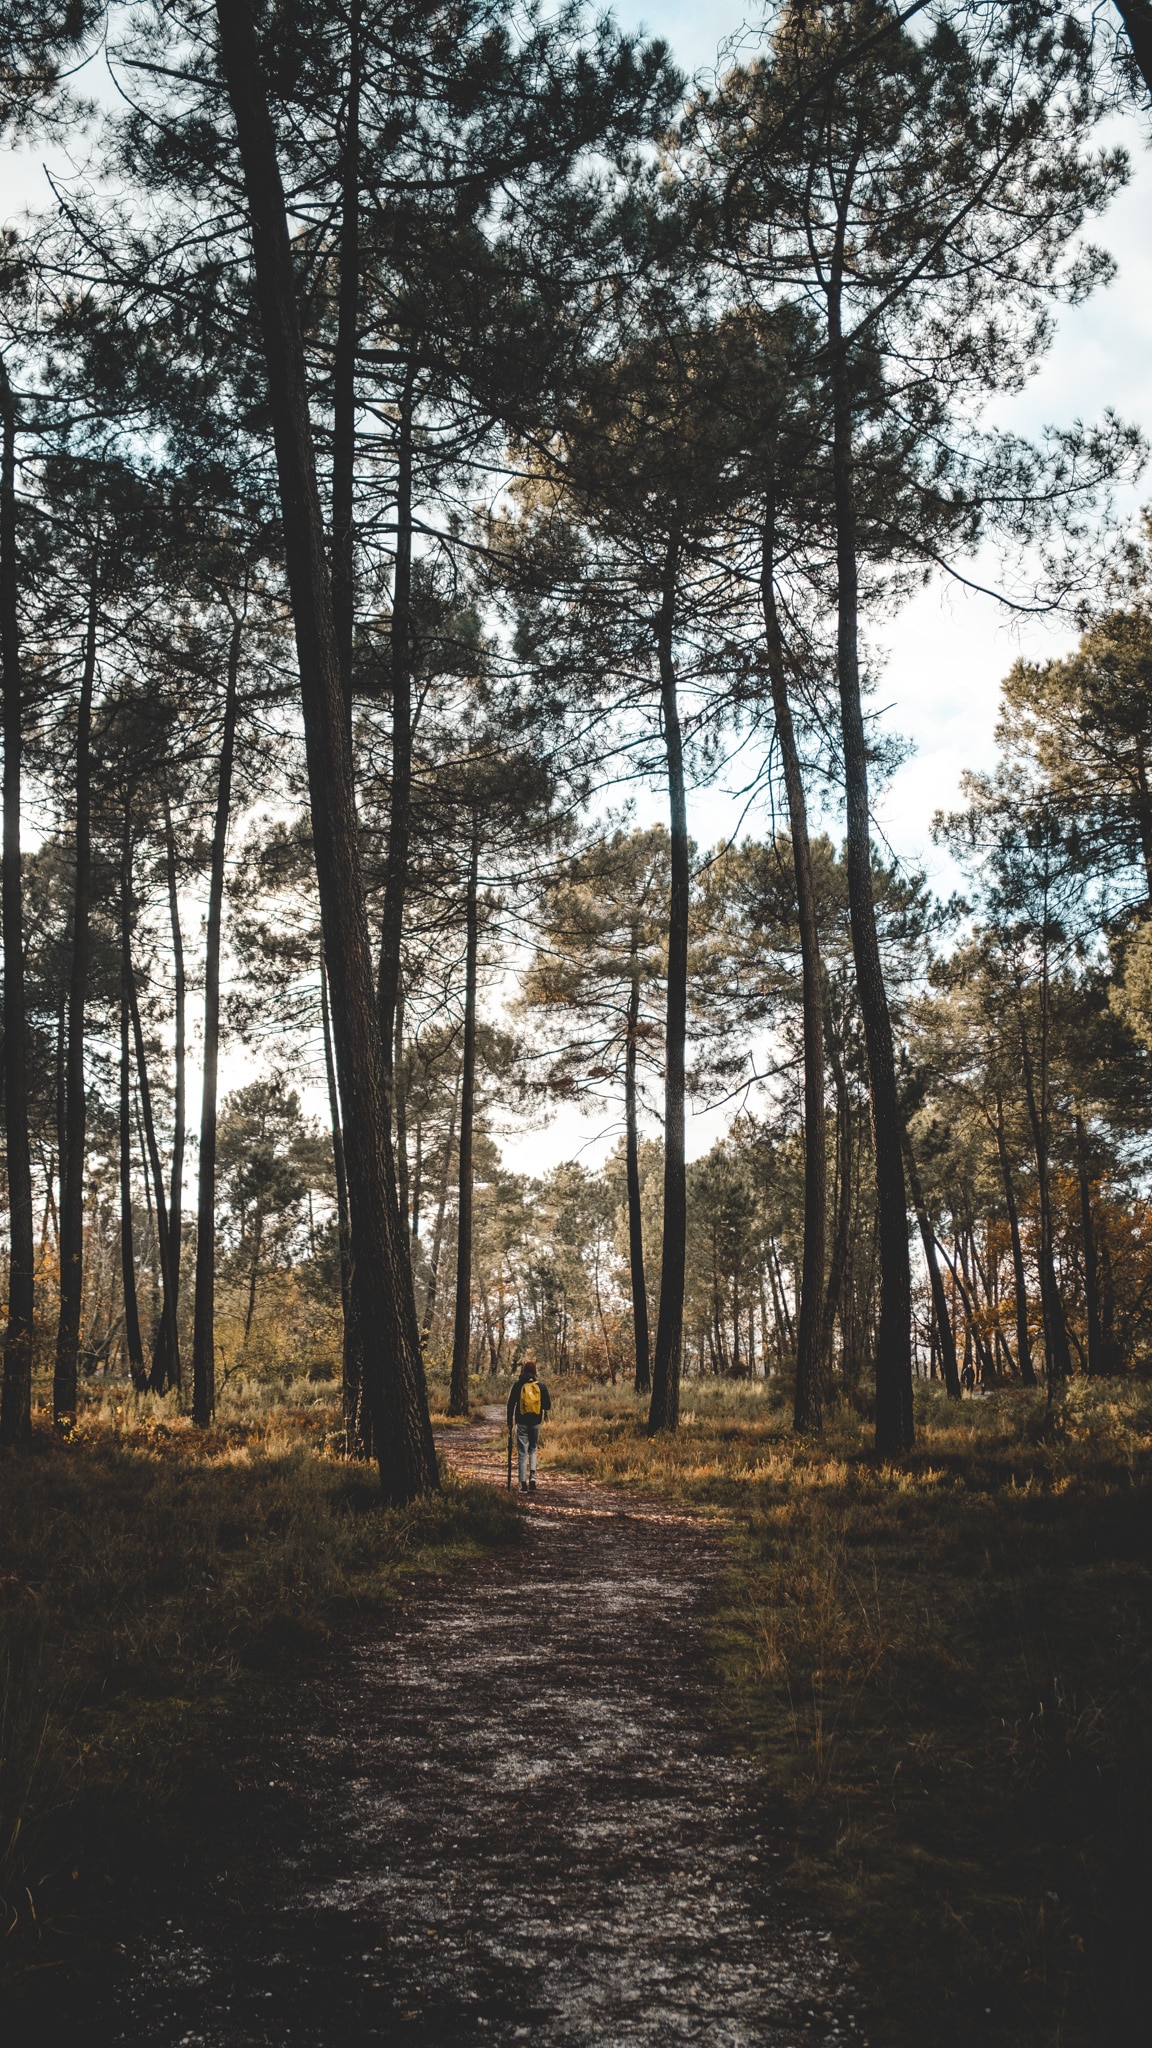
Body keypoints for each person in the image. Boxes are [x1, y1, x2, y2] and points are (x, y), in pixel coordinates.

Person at [507, 1356, 551, 1494]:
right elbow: (548, 1406)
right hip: (536, 1423)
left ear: (523, 1371)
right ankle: (533, 1476)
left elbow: (510, 1405)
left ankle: (522, 1484)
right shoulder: (541, 1386)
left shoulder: (517, 1385)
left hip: (521, 1423)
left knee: (522, 1453)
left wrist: (509, 1422)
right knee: (533, 1449)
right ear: (535, 1371)